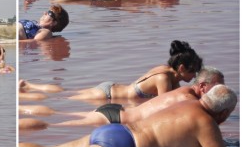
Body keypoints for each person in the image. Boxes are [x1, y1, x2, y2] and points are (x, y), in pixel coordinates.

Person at [19, 85, 237, 147]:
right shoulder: (205, 122)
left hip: (115, 130)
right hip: (123, 146)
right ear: (225, 112)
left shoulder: (187, 101)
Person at [22, 67, 224, 128]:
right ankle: (23, 103)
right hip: (114, 112)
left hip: (116, 109)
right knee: (57, 117)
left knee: (61, 108)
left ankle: (21, 107)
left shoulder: (178, 88)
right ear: (203, 86)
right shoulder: (187, 101)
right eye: (217, 87)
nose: (219, 91)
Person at [69, 40, 202, 101]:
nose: (194, 75)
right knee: (63, 100)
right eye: (193, 71)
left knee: (64, 95)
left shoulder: (169, 74)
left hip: (111, 89)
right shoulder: (164, 78)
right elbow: (164, 106)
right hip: (107, 96)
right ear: (181, 68)